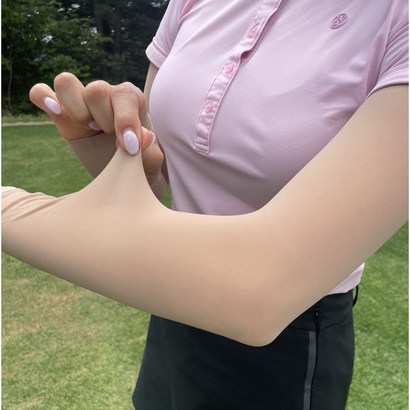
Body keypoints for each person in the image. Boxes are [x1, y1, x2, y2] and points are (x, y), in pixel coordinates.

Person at [2, 1, 408, 409]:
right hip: (172, 302)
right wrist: (116, 158)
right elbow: (160, 175)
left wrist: (12, 209)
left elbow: (260, 289)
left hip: (290, 340)